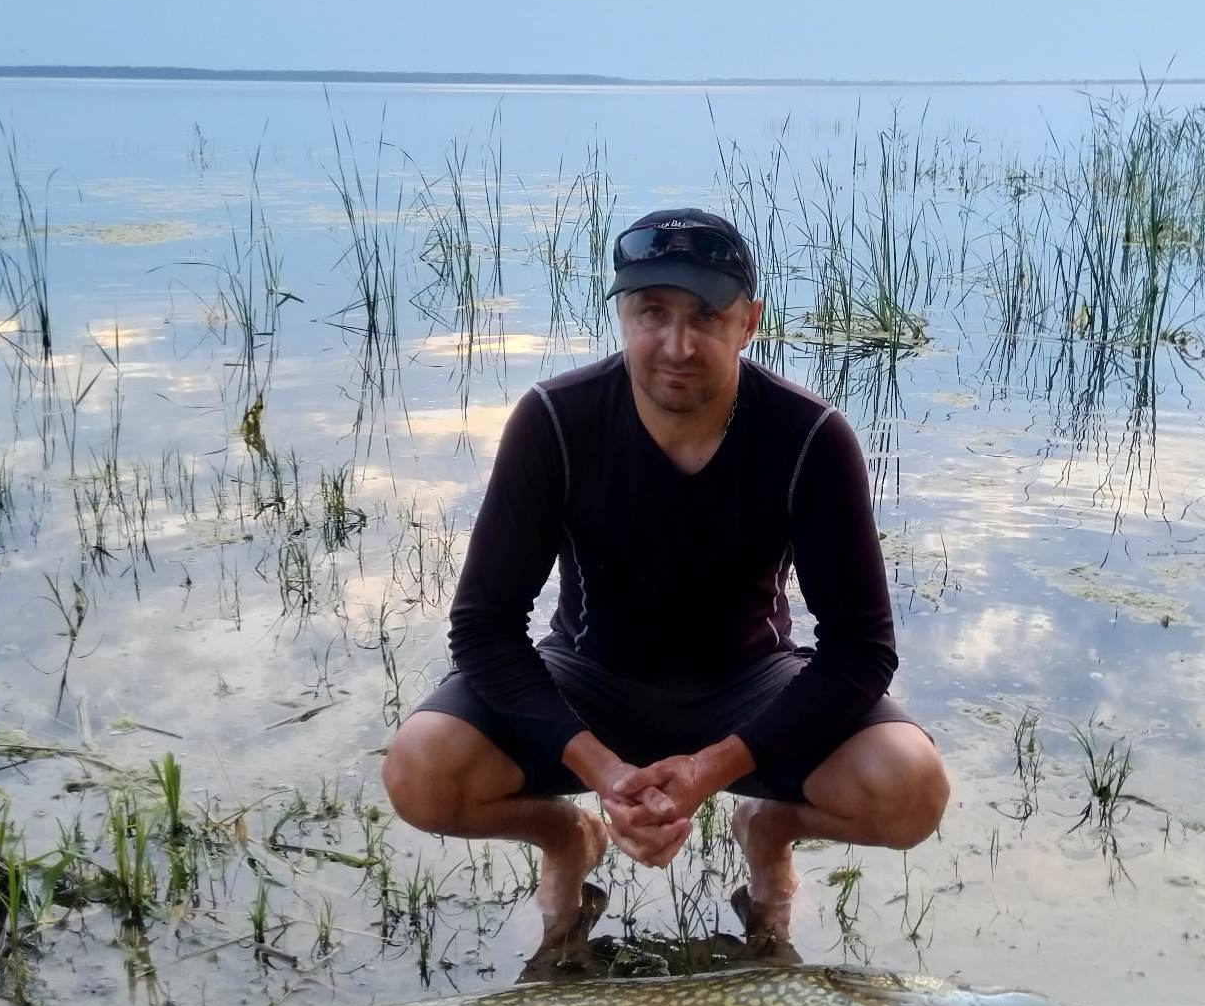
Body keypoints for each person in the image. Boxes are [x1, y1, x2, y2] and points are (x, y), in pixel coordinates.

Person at [382, 206, 949, 952]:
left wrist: (717, 769)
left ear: (748, 323)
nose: (677, 344)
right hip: (590, 674)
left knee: (911, 791)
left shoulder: (810, 436)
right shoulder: (556, 420)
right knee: (422, 771)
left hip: (753, 680)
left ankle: (770, 829)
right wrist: (602, 771)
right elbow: (484, 628)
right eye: (653, 312)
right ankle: (563, 838)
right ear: (621, 313)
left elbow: (861, 651)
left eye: (706, 315)